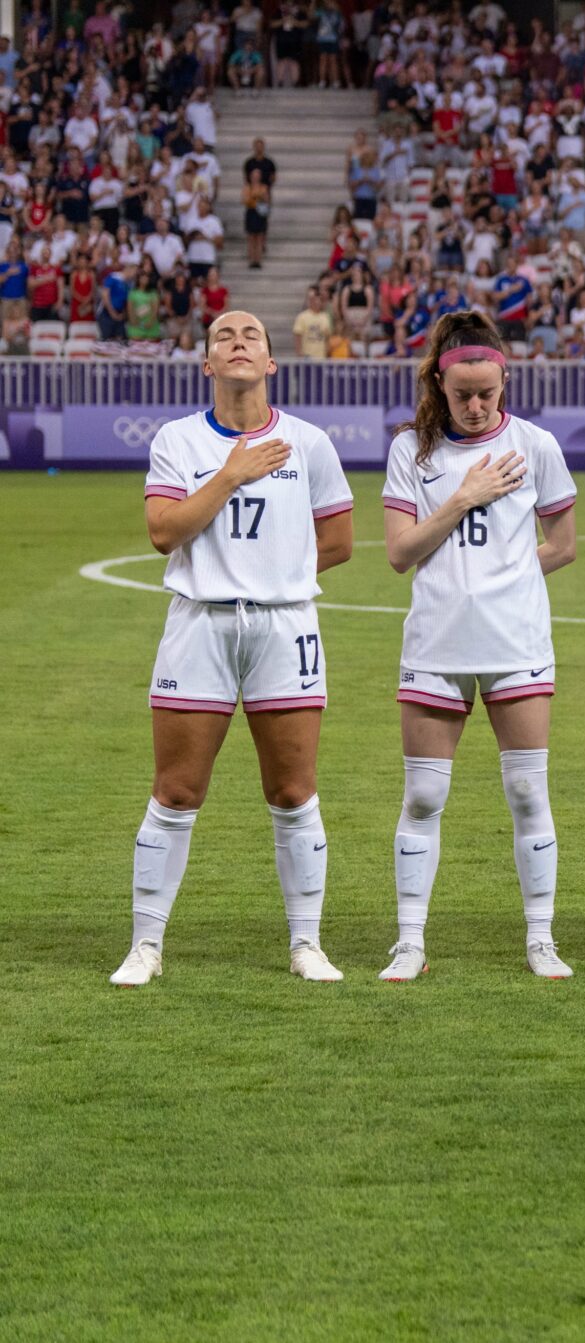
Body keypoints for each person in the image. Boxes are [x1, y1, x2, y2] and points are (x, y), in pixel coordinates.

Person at [114, 311, 355, 986]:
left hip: (284, 626)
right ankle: (145, 946)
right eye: (224, 336)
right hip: (201, 622)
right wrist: (230, 473)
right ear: (208, 364)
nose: (239, 341)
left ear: (272, 363)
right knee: (177, 789)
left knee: (293, 789)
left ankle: (307, 943)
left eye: (252, 335)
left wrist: (278, 576)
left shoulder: (308, 442)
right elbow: (164, 531)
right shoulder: (178, 439)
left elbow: (337, 542)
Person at [377, 312, 579, 981]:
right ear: (440, 378)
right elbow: (400, 552)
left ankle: (541, 937)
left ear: (504, 380)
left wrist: (505, 576)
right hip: (436, 642)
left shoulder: (536, 446)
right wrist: (462, 497)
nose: (474, 405)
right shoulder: (414, 451)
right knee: (424, 797)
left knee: (527, 790)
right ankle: (409, 940)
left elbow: (563, 544)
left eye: (486, 392)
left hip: (514, 637)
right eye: (462, 392)